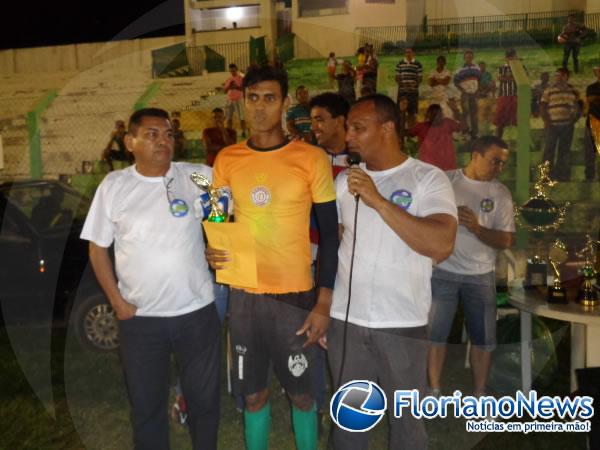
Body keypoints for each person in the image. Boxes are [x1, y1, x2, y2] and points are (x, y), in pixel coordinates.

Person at [206, 65, 339, 450]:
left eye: (269, 98)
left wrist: (324, 302)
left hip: (294, 298)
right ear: (243, 102)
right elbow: (217, 219)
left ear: (283, 103)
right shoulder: (226, 160)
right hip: (245, 297)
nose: (261, 107)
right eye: (253, 98)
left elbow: (330, 236)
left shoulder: (311, 158)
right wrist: (211, 248)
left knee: (302, 395)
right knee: (253, 396)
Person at [81, 108, 220, 450]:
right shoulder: (115, 186)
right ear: (130, 142)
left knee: (204, 404)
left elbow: (225, 216)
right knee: (146, 407)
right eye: (153, 134)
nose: (163, 140)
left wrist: (218, 243)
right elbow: (98, 250)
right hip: (141, 320)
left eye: (169, 134)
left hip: (196, 313)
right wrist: (117, 303)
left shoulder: (198, 176)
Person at [328, 94, 457, 450]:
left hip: (402, 324)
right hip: (347, 323)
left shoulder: (427, 179)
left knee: (407, 430)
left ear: (387, 129)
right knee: (349, 427)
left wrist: (380, 202)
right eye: (347, 127)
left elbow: (441, 244)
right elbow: (337, 244)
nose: (348, 135)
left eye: (358, 127)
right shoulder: (344, 184)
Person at [428, 136, 515, 398]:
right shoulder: (445, 182)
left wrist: (477, 228)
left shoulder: (500, 194)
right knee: (435, 335)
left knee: (484, 339)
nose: (499, 168)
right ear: (475, 155)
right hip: (443, 271)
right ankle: (433, 389)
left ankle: (479, 393)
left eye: (502, 163)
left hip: (481, 275)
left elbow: (506, 240)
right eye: (494, 161)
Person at [308, 92, 350, 432]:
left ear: (340, 121)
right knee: (314, 326)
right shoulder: (307, 157)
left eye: (321, 118)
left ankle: (344, 399)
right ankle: (318, 401)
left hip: (348, 259)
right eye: (312, 119)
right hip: (309, 255)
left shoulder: (362, 158)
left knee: (338, 331)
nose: (314, 126)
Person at [540, 67, 583, 181]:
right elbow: (543, 105)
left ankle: (562, 175)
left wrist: (573, 120)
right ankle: (546, 176)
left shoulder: (573, 90)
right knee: (549, 150)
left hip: (567, 125)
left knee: (564, 151)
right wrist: (546, 120)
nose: (558, 78)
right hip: (552, 125)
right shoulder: (549, 89)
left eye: (560, 75)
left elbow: (579, 106)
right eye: (557, 75)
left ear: (566, 77)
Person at [408, 103, 462, 171]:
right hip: (428, 171)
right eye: (433, 114)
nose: (436, 117)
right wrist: (403, 112)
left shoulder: (448, 123)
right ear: (428, 115)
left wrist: (456, 110)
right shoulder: (421, 127)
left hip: (448, 170)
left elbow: (463, 127)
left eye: (438, 114)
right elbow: (406, 133)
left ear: (442, 115)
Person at [454, 50, 481, 139]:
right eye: (467, 57)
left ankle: (475, 133)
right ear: (464, 58)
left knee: (474, 113)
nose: (468, 59)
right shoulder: (460, 69)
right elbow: (456, 82)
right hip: (465, 94)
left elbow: (479, 79)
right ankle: (465, 132)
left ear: (472, 58)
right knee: (465, 113)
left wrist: (478, 90)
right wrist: (463, 90)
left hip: (474, 94)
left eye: (470, 57)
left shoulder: (476, 68)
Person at [494, 49, 519, 139]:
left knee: (518, 120)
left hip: (516, 96)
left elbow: (524, 79)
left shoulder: (520, 67)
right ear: (506, 58)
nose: (512, 59)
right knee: (500, 121)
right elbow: (500, 78)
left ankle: (524, 142)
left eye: (513, 57)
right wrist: (513, 78)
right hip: (504, 96)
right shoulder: (501, 68)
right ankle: (498, 140)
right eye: (510, 57)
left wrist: (508, 78)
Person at [396, 48, 423, 127]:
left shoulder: (418, 64)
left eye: (409, 52)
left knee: (412, 113)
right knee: (401, 113)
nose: (408, 54)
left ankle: (411, 133)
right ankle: (402, 132)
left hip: (413, 92)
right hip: (402, 92)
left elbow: (420, 78)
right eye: (406, 52)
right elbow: (397, 77)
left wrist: (413, 85)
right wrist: (402, 84)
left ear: (413, 53)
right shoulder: (400, 63)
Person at [584, 66, 600, 182]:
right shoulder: (591, 87)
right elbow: (590, 100)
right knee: (589, 151)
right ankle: (589, 176)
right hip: (592, 121)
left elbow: (594, 99)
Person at [224, 63, 247, 136]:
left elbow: (244, 89)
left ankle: (244, 132)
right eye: (231, 71)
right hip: (229, 100)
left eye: (233, 71)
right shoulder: (228, 79)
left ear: (236, 70)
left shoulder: (241, 78)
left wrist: (236, 87)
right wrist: (229, 87)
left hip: (238, 99)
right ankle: (229, 132)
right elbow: (225, 91)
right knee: (228, 117)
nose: (232, 72)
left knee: (242, 117)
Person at [428, 55, 453, 120]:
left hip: (444, 95)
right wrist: (442, 80)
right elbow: (431, 83)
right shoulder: (432, 71)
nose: (440, 63)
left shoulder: (447, 72)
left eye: (442, 62)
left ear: (445, 63)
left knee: (445, 113)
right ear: (437, 63)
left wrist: (435, 79)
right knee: (433, 113)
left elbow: (446, 82)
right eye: (439, 62)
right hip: (434, 95)